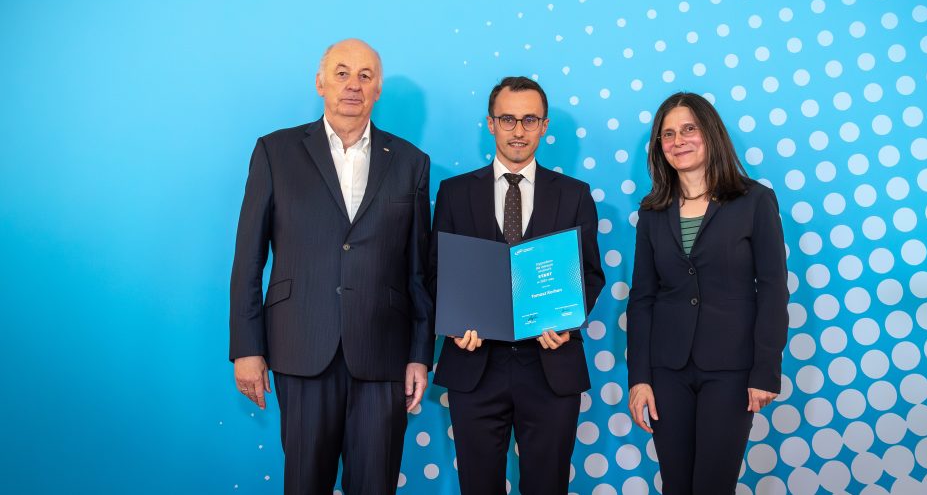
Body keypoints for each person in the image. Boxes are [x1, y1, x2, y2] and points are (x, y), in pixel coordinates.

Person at [228, 39, 433, 495]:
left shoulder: (411, 163)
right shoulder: (274, 152)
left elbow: (418, 270)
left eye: (365, 75)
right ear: (320, 82)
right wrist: (247, 347)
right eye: (342, 73)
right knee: (305, 483)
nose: (353, 85)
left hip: (383, 354)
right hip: (300, 347)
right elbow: (248, 258)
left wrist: (420, 353)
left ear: (377, 90)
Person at [428, 76, 606, 495]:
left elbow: (590, 274)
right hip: (474, 364)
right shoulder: (454, 193)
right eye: (508, 119)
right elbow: (436, 272)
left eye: (530, 120)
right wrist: (454, 323)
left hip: (551, 365)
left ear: (544, 126)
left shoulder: (574, 195)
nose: (518, 131)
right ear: (491, 123)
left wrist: (567, 320)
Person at [626, 91, 789, 494]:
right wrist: (639, 378)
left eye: (689, 129)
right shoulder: (652, 211)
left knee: (713, 486)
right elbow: (642, 297)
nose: (678, 141)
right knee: (676, 486)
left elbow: (773, 290)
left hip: (732, 369)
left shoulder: (755, 200)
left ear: (711, 133)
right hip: (667, 370)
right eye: (668, 134)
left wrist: (765, 370)